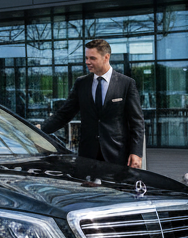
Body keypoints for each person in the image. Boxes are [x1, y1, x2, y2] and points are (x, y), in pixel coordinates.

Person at [42, 39, 144, 167]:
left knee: (115, 187)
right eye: (86, 58)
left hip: (117, 153)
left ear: (106, 57)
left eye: (92, 58)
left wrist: (136, 152)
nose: (87, 62)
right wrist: (39, 130)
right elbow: (64, 114)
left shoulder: (126, 84)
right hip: (88, 153)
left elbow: (137, 122)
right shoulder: (81, 83)